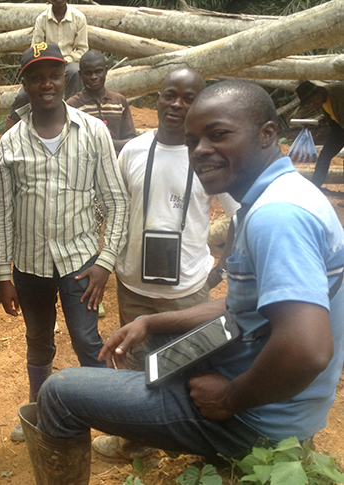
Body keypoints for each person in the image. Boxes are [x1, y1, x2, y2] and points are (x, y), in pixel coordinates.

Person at [24, 80, 344, 481]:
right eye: (193, 141)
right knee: (159, 345)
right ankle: (164, 419)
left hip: (257, 419)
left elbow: (306, 350)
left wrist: (229, 397)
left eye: (219, 134)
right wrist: (150, 322)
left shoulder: (278, 216)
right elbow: (238, 308)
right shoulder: (281, 195)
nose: (201, 152)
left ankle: (203, 436)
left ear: (268, 134)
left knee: (58, 394)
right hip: (274, 395)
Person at [92, 67, 239, 460]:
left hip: (187, 290)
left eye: (188, 97)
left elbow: (241, 216)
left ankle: (191, 447)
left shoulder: (210, 158)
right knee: (137, 365)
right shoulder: (133, 151)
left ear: (200, 104)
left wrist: (220, 270)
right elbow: (117, 210)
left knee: (187, 366)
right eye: (169, 94)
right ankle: (137, 442)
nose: (177, 104)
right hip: (133, 286)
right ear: (156, 98)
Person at [0, 44, 127, 442]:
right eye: (35, 76)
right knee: (38, 341)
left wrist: (106, 262)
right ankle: (39, 411)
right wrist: (4, 275)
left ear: (63, 77)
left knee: (88, 340)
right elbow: (2, 215)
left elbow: (117, 201)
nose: (45, 83)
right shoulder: (11, 145)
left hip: (82, 263)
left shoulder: (93, 133)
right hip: (29, 266)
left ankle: (114, 422)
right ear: (25, 83)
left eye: (53, 74)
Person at [5, 0, 88, 131]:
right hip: (44, 64)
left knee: (75, 71)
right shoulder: (42, 19)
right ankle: (11, 126)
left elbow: (82, 50)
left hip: (69, 64)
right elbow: (35, 48)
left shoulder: (79, 18)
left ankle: (73, 113)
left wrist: (64, 60)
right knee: (22, 96)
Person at [67, 50, 137, 155]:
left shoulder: (119, 101)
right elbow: (72, 145)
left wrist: (106, 143)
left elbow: (132, 140)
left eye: (98, 71)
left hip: (117, 164)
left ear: (106, 71)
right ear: (80, 75)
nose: (94, 77)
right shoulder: (72, 106)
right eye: (88, 73)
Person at [295, 80, 344, 188]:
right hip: (339, 128)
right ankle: (315, 188)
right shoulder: (323, 99)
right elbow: (334, 113)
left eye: (311, 101)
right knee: (324, 156)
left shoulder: (340, 92)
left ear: (318, 92)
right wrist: (318, 121)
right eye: (308, 104)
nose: (311, 105)